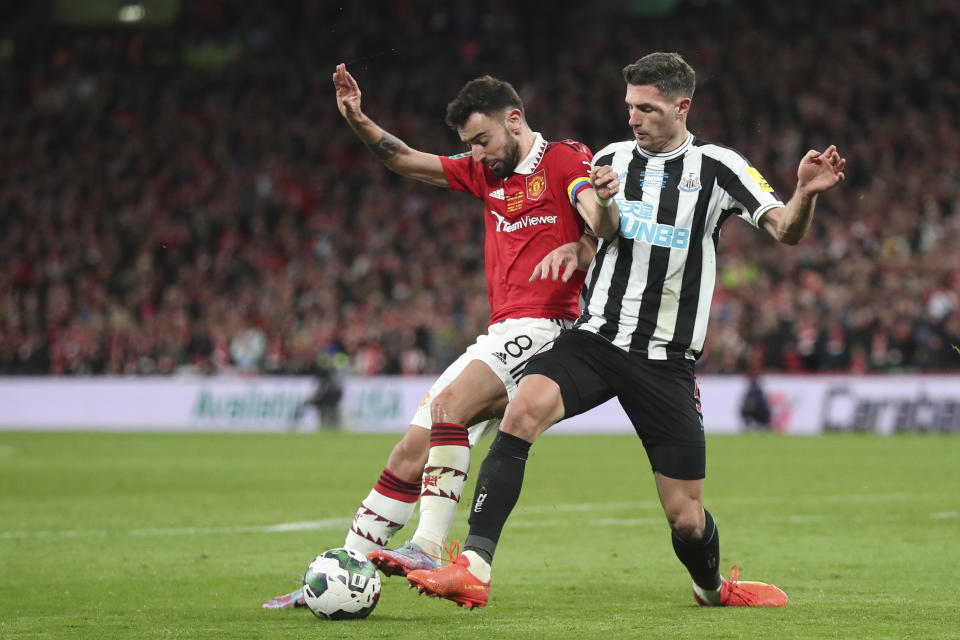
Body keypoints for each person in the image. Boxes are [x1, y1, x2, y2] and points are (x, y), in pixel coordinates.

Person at [406, 52, 846, 609]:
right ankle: (474, 565)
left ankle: (711, 589)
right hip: (596, 339)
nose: (633, 118)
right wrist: (602, 210)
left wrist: (804, 193)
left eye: (647, 108)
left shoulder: (719, 168)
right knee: (520, 414)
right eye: (629, 107)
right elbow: (605, 229)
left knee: (686, 518)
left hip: (665, 361)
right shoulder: (610, 157)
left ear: (682, 107)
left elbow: (785, 231)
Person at [263, 64, 620, 608]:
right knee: (410, 449)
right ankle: (337, 575)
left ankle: (428, 545)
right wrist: (359, 119)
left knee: (450, 408)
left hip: (547, 326)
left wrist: (589, 232)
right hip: (500, 331)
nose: (477, 153)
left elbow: (597, 214)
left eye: (482, 139)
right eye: (469, 145)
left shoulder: (566, 159)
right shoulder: (487, 174)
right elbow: (404, 159)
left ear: (514, 120)